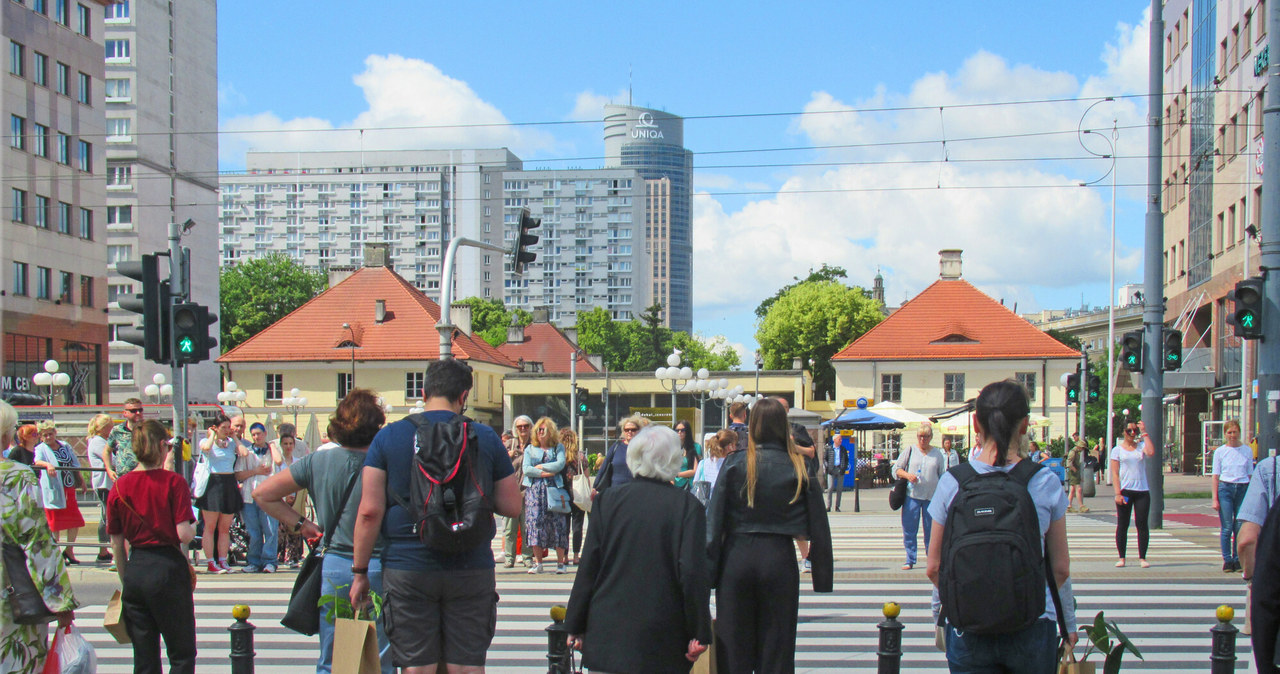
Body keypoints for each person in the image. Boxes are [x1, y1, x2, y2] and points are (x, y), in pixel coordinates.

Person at [349, 358, 522, 674]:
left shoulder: (388, 438)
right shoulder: (485, 437)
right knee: (467, 666)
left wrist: (360, 572)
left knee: (418, 667)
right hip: (471, 567)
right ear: (464, 396)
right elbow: (512, 506)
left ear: (425, 391)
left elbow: (369, 512)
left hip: (407, 567)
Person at [925, 380, 1077, 672]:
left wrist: (965, 602)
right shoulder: (1043, 482)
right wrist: (1061, 618)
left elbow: (934, 568)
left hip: (968, 627)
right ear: (1024, 426)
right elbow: (1060, 569)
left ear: (976, 422)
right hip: (1032, 624)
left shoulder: (953, 482)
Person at [254, 389, 393, 674]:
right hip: (379, 564)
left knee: (334, 659)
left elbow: (262, 494)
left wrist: (302, 525)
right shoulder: (386, 462)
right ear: (377, 426)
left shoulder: (317, 461)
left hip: (334, 565)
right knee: (378, 659)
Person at [565, 425, 712, 672]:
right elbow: (692, 573)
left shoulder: (607, 501)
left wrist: (575, 623)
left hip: (609, 629)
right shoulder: (688, 507)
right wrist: (699, 631)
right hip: (664, 632)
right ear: (674, 460)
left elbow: (590, 565)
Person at [706, 397, 833, 672]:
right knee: (777, 649)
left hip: (736, 560)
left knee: (734, 648)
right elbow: (819, 525)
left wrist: (707, 575)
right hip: (779, 559)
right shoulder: (798, 466)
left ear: (753, 427)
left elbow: (713, 522)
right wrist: (822, 573)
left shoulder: (736, 464)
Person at [107, 419, 197, 674]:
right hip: (167, 568)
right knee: (181, 653)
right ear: (161, 446)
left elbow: (116, 542)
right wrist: (195, 526)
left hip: (137, 568)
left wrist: (127, 580)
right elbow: (184, 534)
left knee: (144, 656)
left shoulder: (119, 487)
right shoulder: (173, 482)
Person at [0, 401, 77, 674]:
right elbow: (37, 542)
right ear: (6, 436)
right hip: (10, 595)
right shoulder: (18, 476)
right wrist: (61, 600)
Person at [893, 421, 946, 570]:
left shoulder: (937, 454)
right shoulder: (910, 450)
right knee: (910, 528)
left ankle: (932, 558)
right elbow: (896, 469)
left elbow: (943, 475)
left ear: (931, 437)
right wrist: (908, 475)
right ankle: (910, 558)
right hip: (912, 496)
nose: (923, 439)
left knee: (931, 530)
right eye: (920, 436)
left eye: (926, 436)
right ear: (917, 437)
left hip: (931, 497)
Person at [194, 413, 243, 574]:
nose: (227, 430)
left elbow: (243, 452)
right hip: (213, 483)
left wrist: (234, 437)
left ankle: (222, 559)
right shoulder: (206, 441)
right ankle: (210, 561)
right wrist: (213, 435)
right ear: (215, 428)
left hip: (229, 483)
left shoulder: (230, 444)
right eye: (224, 428)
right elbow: (206, 448)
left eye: (229, 427)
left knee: (224, 527)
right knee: (210, 526)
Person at [523, 417, 569, 574]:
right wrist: (544, 473)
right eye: (538, 430)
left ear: (551, 432)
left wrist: (541, 466)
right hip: (535, 491)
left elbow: (559, 464)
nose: (540, 432)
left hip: (554, 489)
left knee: (558, 525)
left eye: (543, 429)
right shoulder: (530, 449)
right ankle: (538, 563)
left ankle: (560, 564)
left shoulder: (558, 448)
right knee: (535, 524)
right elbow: (527, 469)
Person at [34, 421, 85, 564]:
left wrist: (80, 479)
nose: (48, 437)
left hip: (68, 486)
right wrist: (47, 464)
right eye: (45, 435)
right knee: (55, 523)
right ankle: (55, 553)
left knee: (74, 521)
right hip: (54, 488)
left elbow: (74, 462)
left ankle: (69, 550)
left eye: (51, 434)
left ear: (55, 433)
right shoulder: (41, 448)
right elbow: (37, 461)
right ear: (41, 436)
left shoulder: (64, 446)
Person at [236, 422, 283, 573]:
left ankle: (270, 561)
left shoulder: (271, 451)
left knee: (270, 529)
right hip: (250, 496)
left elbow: (279, 461)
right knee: (254, 531)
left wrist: (273, 446)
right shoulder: (247, 453)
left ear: (264, 434)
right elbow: (238, 474)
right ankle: (254, 561)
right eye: (254, 434)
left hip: (268, 496)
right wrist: (255, 471)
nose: (257, 437)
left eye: (259, 434)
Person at [1211, 419, 1253, 572]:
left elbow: (1250, 475)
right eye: (1229, 432)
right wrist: (1215, 498)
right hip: (1225, 488)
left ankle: (1238, 559)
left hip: (1242, 487)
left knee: (1239, 526)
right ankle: (1227, 559)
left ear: (1239, 433)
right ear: (1225, 434)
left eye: (1235, 432)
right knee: (1227, 526)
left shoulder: (1246, 450)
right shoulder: (1221, 452)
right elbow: (1215, 476)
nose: (1232, 435)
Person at [1111, 420, 1154, 568]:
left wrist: (1144, 432)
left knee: (1142, 524)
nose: (1132, 433)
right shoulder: (1117, 450)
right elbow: (1115, 473)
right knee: (1123, 524)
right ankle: (1122, 557)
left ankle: (1142, 557)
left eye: (1135, 430)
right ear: (1123, 432)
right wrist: (1118, 493)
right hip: (1126, 491)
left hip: (1142, 491)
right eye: (1129, 431)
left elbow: (1151, 452)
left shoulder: (1141, 447)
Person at [502, 415, 534, 569]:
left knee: (527, 527)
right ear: (515, 429)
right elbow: (497, 463)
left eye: (526, 426)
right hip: (511, 491)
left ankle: (527, 557)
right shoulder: (509, 444)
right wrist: (507, 456)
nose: (523, 429)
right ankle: (509, 558)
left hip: (528, 491)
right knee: (510, 528)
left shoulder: (534, 445)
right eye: (520, 426)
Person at [85, 413, 116, 564]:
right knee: (107, 516)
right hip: (104, 483)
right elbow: (111, 459)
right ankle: (103, 548)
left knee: (107, 515)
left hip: (108, 483)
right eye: (109, 425)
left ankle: (104, 549)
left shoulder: (103, 440)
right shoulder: (97, 442)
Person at [274, 431, 307, 569]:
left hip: (295, 498)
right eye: (285, 444)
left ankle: (293, 556)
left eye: (290, 443)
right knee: (280, 529)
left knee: (295, 527)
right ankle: (280, 555)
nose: (288, 446)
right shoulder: (277, 463)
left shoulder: (298, 462)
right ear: (281, 445)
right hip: (281, 498)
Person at [594, 415, 648, 495]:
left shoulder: (644, 449)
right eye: (626, 430)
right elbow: (604, 467)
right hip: (616, 492)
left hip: (636, 492)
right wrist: (595, 487)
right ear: (623, 431)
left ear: (639, 431)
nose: (629, 432)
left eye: (633, 429)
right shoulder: (616, 447)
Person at [560, 428, 586, 565]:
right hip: (578, 494)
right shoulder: (580, 457)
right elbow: (586, 476)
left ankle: (564, 556)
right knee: (577, 526)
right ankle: (576, 555)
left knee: (564, 526)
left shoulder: (559, 457)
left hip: (563, 494)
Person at [106, 398, 145, 481]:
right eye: (133, 411)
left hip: (144, 477)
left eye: (140, 410)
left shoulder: (148, 430)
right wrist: (109, 470)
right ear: (125, 413)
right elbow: (106, 451)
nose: (138, 413)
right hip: (123, 478)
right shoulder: (117, 430)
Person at [673, 420, 701, 490]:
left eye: (682, 430)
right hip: (674, 484)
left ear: (687, 432)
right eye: (677, 430)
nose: (679, 432)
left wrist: (678, 474)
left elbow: (695, 470)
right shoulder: (671, 447)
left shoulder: (696, 447)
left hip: (689, 485)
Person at [1066, 440, 1090, 513]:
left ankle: (1069, 506)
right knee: (1078, 489)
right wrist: (1074, 470)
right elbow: (1068, 463)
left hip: (1074, 473)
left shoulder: (1075, 452)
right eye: (1082, 448)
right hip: (1073, 473)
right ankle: (1081, 506)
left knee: (1073, 490)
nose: (1082, 449)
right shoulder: (1073, 452)